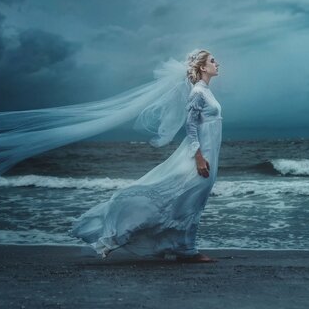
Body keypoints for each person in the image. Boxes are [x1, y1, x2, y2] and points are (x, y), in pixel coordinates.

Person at [71, 50, 221, 263]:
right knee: (180, 199)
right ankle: (117, 237)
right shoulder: (198, 92)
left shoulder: (206, 91)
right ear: (203, 68)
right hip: (200, 154)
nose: (218, 63)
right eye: (213, 61)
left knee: (191, 202)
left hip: (209, 153)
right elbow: (191, 126)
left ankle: (182, 248)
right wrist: (198, 156)